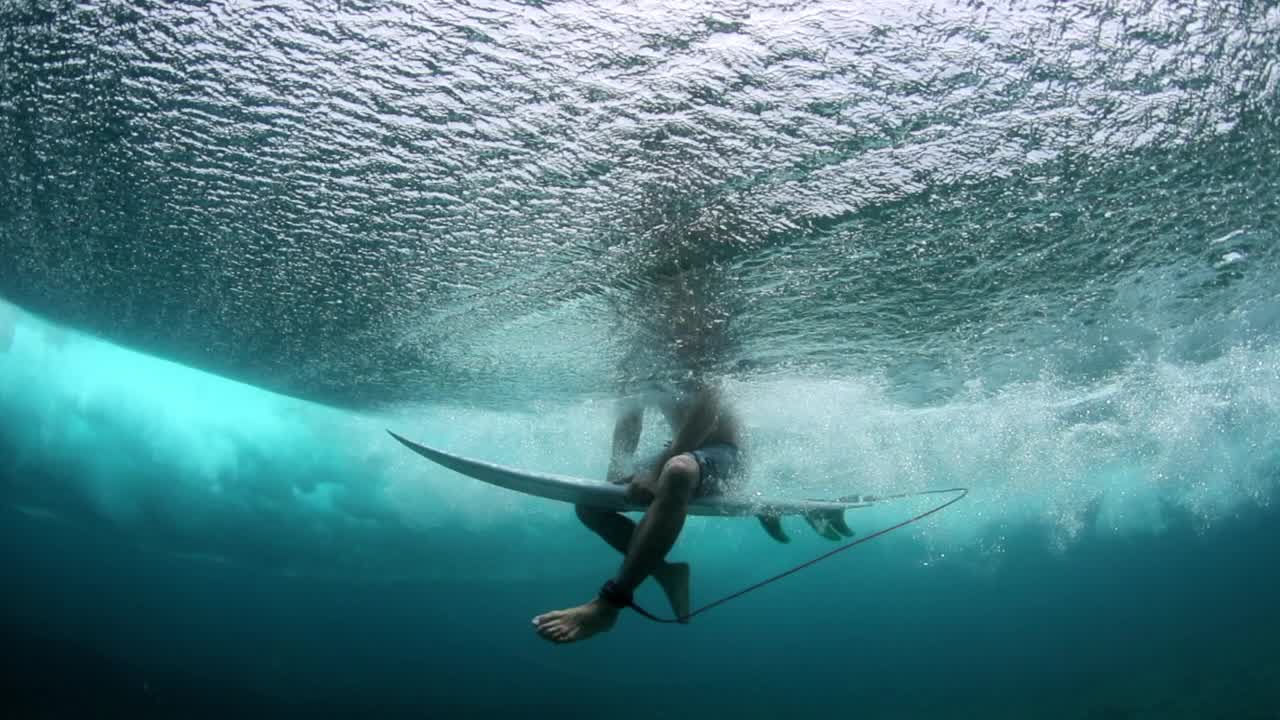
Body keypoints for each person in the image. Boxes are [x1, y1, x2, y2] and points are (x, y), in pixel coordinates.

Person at [532, 376, 742, 643]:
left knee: (678, 471)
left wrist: (656, 472)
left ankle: (609, 604)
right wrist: (616, 474)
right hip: (684, 451)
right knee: (590, 503)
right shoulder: (639, 348)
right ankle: (665, 571)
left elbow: (707, 414)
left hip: (727, 455)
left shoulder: (702, 338)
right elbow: (630, 415)